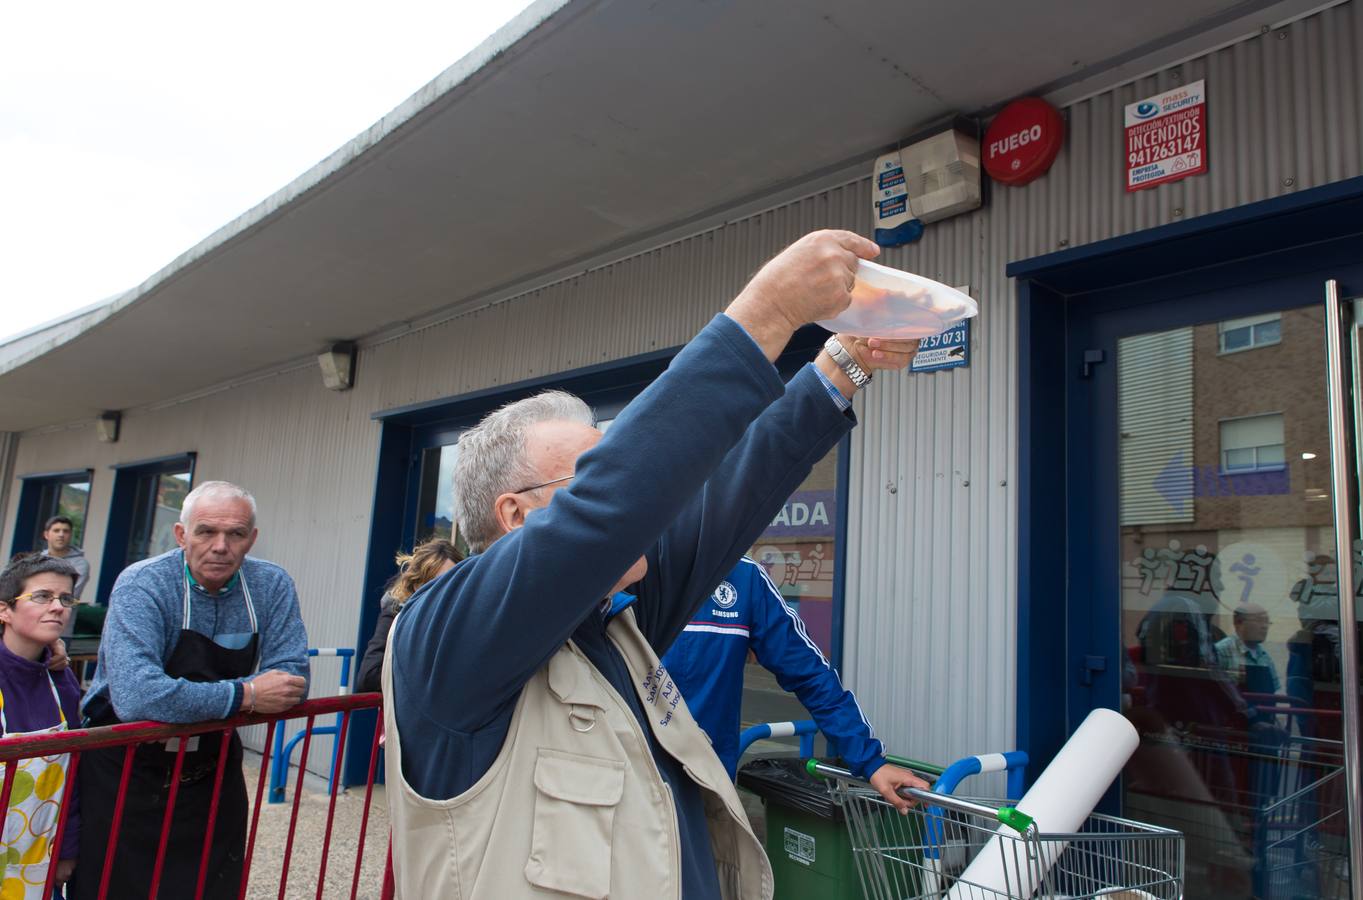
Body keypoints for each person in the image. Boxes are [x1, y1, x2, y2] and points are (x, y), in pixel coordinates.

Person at [384, 230, 927, 899]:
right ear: (515, 517)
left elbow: (732, 492)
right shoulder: (449, 634)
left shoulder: (611, 626)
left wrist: (841, 364)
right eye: (589, 480)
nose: (641, 502)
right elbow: (619, 498)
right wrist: (768, 313)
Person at [69, 481, 310, 900]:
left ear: (251, 539)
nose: (221, 546)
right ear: (182, 535)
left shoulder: (271, 585)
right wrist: (246, 696)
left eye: (235, 534)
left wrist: (188, 700)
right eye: (206, 532)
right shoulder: (143, 585)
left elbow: (290, 678)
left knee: (210, 886)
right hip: (124, 766)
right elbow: (138, 697)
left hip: (212, 770)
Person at [656, 556, 906, 786]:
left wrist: (871, 762)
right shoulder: (629, 569)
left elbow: (810, 673)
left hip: (705, 786)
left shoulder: (744, 577)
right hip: (629, 787)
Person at [0, 553, 83, 895]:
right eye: (42, 596)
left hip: (34, 857)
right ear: (4, 610)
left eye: (65, 598)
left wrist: (68, 849)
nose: (58, 607)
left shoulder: (62, 682)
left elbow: (76, 769)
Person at [354, 538, 461, 693]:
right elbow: (368, 676)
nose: (445, 591)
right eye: (436, 583)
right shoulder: (396, 612)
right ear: (417, 586)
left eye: (454, 582)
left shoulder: (465, 618)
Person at [1214, 602, 1280, 696]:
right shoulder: (1221, 651)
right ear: (1239, 623)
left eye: (1267, 621)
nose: (1265, 626)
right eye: (1259, 620)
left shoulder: (1265, 656)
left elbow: (1272, 694)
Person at [40, 516, 90, 600]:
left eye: (66, 531)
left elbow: (70, 596)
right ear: (46, 535)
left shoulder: (80, 564)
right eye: (56, 531)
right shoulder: (38, 560)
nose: (61, 535)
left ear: (70, 535)